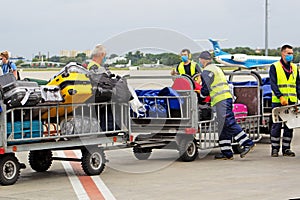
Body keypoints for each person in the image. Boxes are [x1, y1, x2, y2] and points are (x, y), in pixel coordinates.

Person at [198, 51, 255, 160]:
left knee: (228, 122)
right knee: (223, 126)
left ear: (203, 59)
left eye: (200, 60)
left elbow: (205, 90)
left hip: (221, 100)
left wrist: (200, 96)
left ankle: (247, 142)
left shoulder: (207, 71)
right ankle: (226, 152)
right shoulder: (216, 68)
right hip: (225, 98)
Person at [269, 44, 300, 157]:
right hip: (278, 101)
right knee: (276, 126)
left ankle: (286, 148)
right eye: (288, 53)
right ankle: (275, 149)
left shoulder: (295, 68)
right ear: (282, 53)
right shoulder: (275, 67)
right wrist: (280, 96)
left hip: (291, 101)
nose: (290, 55)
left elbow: (297, 85)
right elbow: (273, 84)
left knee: (289, 126)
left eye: (292, 53)